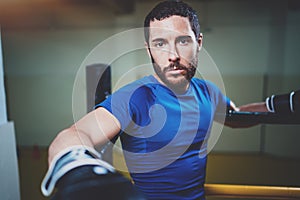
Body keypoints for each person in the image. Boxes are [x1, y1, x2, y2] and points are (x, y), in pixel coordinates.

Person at [41, 1, 261, 199]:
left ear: (199, 42)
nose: (172, 54)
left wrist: (277, 107)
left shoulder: (208, 92)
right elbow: (77, 134)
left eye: (183, 41)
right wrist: (78, 169)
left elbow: (237, 116)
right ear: (149, 50)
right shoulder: (136, 97)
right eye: (160, 44)